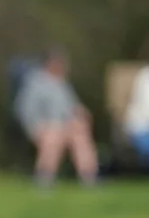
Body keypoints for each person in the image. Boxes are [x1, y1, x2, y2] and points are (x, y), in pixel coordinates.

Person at [13, 47, 99, 187]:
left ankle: (89, 177)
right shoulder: (35, 83)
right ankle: (44, 178)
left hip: (66, 125)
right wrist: (36, 127)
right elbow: (23, 109)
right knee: (53, 137)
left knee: (81, 136)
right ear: (50, 64)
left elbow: (73, 107)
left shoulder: (63, 84)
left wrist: (81, 114)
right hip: (46, 127)